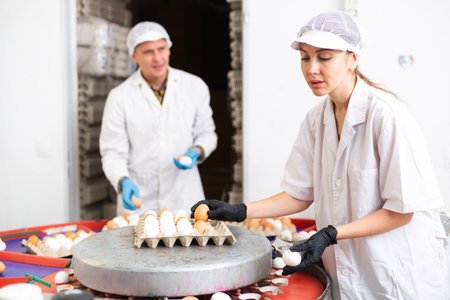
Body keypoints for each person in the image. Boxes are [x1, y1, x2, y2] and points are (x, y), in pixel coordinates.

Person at [191, 11, 449, 300]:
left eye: (324, 58)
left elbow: (401, 211)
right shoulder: (316, 120)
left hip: (397, 277)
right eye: (304, 57)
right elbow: (300, 194)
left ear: (353, 59)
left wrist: (330, 234)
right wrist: (238, 210)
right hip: (348, 275)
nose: (312, 69)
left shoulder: (386, 116)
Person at [100, 21, 217, 215]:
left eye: (161, 49)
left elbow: (207, 134)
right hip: (141, 202)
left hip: (183, 197)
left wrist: (195, 152)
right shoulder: (119, 97)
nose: (157, 58)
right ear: (134, 56)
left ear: (169, 49)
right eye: (148, 52)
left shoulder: (195, 87)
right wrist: (122, 180)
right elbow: (112, 152)